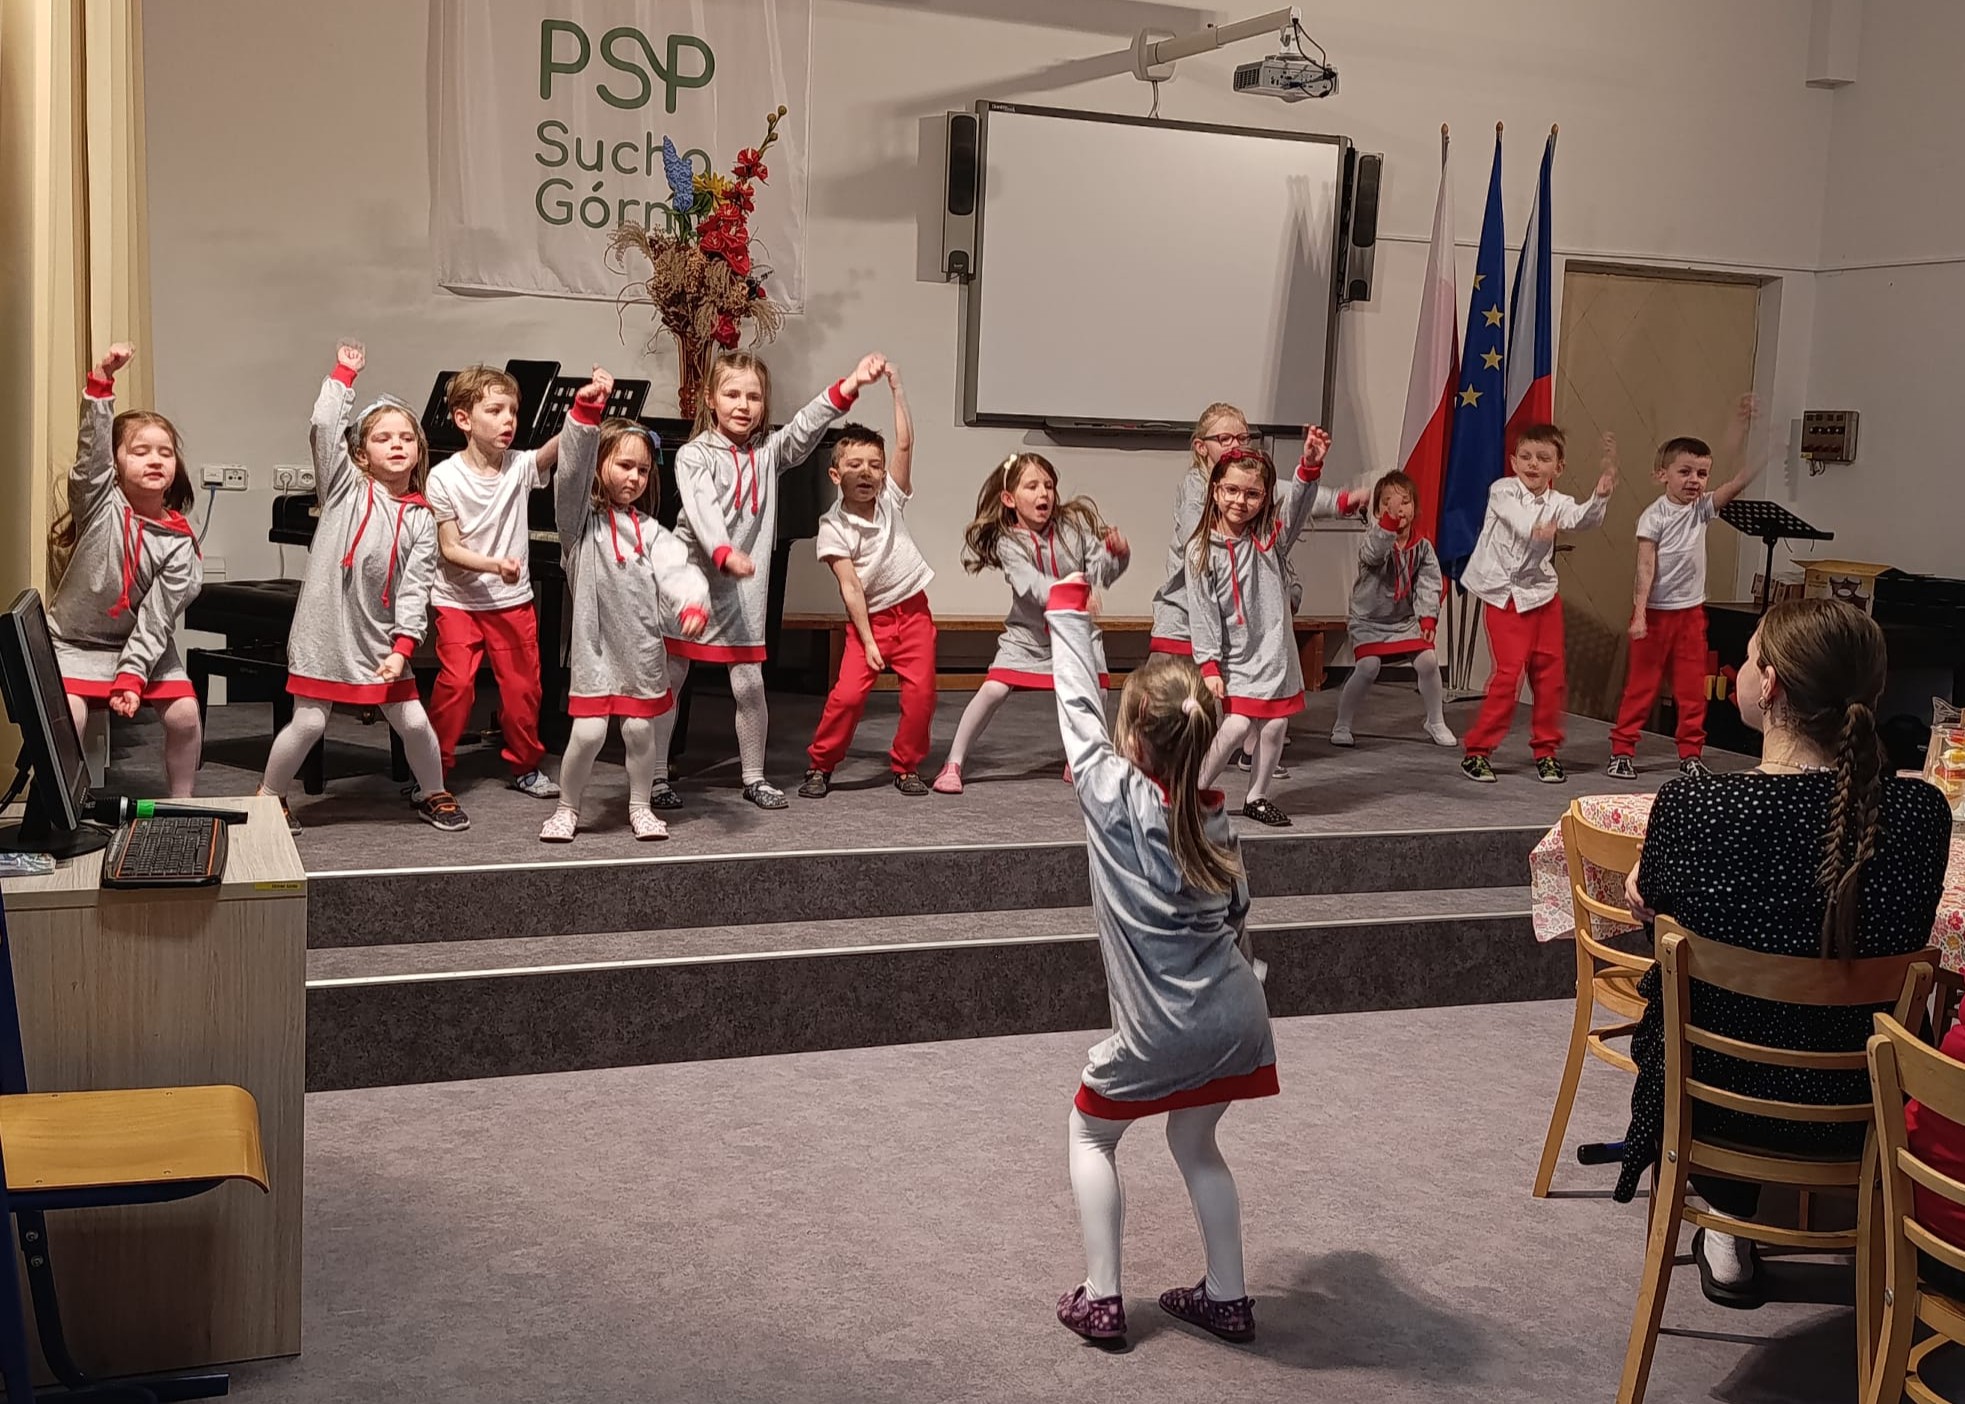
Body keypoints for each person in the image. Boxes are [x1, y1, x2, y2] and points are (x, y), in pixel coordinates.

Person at [1612, 598, 1952, 1308]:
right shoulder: (1923, 814)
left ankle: (1725, 1220)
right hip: (1865, 1099)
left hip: (1715, 1098)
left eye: (1748, 658)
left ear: (1766, 684)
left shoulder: (1695, 808)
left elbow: (1658, 930)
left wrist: (1649, 878)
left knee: (1699, 1007)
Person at [1045, 570, 1276, 1350]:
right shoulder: (1215, 820)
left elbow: (1076, 708)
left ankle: (1101, 1298)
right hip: (1237, 1017)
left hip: (1163, 1030)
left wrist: (1068, 612)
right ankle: (1227, 1298)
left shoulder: (1110, 796)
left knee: (1090, 1133)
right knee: (1194, 1141)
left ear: (1134, 737)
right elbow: (1239, 915)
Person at [647, 350, 889, 811]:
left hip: (741, 591)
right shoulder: (695, 455)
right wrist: (723, 552)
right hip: (692, 583)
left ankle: (753, 777)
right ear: (710, 399)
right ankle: (657, 776)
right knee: (671, 678)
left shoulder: (766, 454)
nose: (743, 405)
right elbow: (700, 508)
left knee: (749, 685)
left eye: (754, 397)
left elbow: (804, 427)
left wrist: (850, 384)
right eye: (732, 394)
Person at [258, 342, 464, 832]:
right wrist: (343, 377)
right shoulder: (344, 489)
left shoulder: (422, 518)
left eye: (406, 438)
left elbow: (416, 588)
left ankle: (433, 791)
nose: (397, 445)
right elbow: (325, 427)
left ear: (419, 451)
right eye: (383, 438)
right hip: (324, 634)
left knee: (413, 721)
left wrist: (403, 647)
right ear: (361, 454)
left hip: (380, 640)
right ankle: (269, 795)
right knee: (310, 721)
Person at [542, 367, 709, 843]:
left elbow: (677, 568)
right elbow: (570, 472)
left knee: (639, 732)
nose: (634, 477)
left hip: (641, 650)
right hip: (595, 650)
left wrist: (691, 604)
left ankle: (640, 805)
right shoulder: (579, 525)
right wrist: (586, 412)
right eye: (623, 466)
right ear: (600, 466)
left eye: (642, 469)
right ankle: (567, 808)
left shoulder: (650, 531)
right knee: (589, 734)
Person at [46, 343, 203, 797]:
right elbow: (89, 462)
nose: (155, 460)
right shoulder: (99, 504)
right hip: (74, 642)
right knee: (70, 715)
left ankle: (182, 803)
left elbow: (157, 619)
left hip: (143, 646)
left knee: (185, 715)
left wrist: (132, 676)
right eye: (140, 451)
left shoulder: (180, 542)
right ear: (115, 463)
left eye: (165, 453)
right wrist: (102, 385)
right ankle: (63, 805)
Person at [1185, 430, 1360, 827]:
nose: (1240, 501)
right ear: (1215, 490)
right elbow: (1203, 612)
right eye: (1231, 490)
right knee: (1237, 725)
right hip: (1234, 658)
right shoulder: (1200, 551)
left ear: (1264, 498)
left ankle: (1257, 797)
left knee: (1276, 724)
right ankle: (1194, 791)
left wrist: (1309, 468)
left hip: (1275, 655)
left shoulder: (1269, 539)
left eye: (1252, 494)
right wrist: (1209, 664)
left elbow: (1298, 507)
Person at [931, 453, 1128, 794]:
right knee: (993, 690)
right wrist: (1073, 594)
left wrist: (1116, 555)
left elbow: (1102, 573)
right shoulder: (1009, 542)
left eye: (1048, 485)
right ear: (1009, 499)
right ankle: (953, 762)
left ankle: (1081, 759)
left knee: (1097, 689)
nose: (1043, 493)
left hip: (1076, 635)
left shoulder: (1073, 530)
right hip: (1027, 639)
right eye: (1032, 486)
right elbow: (1032, 585)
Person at [424, 364, 562, 799]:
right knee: (456, 685)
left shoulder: (519, 466)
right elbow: (449, 548)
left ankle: (524, 766)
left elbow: (554, 449)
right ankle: (432, 770)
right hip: (459, 602)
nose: (508, 421)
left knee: (523, 689)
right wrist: (494, 566)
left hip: (511, 602)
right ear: (464, 419)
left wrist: (585, 410)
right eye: (495, 410)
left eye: (513, 412)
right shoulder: (443, 477)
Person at [799, 366, 937, 799]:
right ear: (836, 475)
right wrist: (869, 640)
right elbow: (851, 588)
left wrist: (897, 388)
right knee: (846, 697)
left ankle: (907, 765)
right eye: (855, 465)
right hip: (868, 621)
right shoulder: (832, 527)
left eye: (875, 466)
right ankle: (821, 764)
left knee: (921, 696)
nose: (867, 473)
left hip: (913, 613)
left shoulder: (891, 499)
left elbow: (906, 442)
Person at [1607, 395, 1761, 780]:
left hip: (1691, 615)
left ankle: (1690, 753)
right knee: (1641, 686)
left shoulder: (1702, 509)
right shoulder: (1653, 517)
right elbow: (1645, 567)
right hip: (1655, 614)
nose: (1695, 480)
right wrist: (1639, 614)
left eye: (1702, 474)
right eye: (1685, 472)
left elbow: (1737, 480)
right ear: (1662, 475)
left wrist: (1743, 428)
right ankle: (1622, 750)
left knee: (1692, 689)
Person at [1457, 426, 1617, 783]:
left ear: (1558, 467)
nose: (1533, 464)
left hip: (1542, 596)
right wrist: (1538, 528)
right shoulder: (1502, 490)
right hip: (1504, 596)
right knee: (1508, 674)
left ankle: (1546, 751)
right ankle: (1478, 751)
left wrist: (1600, 496)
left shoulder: (1558, 502)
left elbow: (1582, 518)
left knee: (1550, 677)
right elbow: (1518, 519)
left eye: (1543, 459)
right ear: (1514, 461)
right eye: (1526, 457)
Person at [1330, 470, 1453, 749]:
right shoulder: (1373, 538)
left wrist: (1427, 618)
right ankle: (1342, 723)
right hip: (1369, 620)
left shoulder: (1422, 547)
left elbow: (1429, 583)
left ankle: (1435, 720)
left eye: (1404, 502)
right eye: (1388, 503)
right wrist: (1387, 526)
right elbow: (1373, 555)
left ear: (1415, 507)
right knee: (1368, 667)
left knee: (1428, 661)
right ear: (1377, 511)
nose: (1397, 508)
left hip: (1404, 620)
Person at [1148, 402, 1251, 658]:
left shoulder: (1248, 488)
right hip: (1182, 626)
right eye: (1225, 439)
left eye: (1242, 438)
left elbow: (1285, 495)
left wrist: (1340, 501)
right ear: (1201, 447)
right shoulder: (1196, 486)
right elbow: (1195, 541)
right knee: (1165, 684)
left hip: (1220, 628)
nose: (1235, 445)